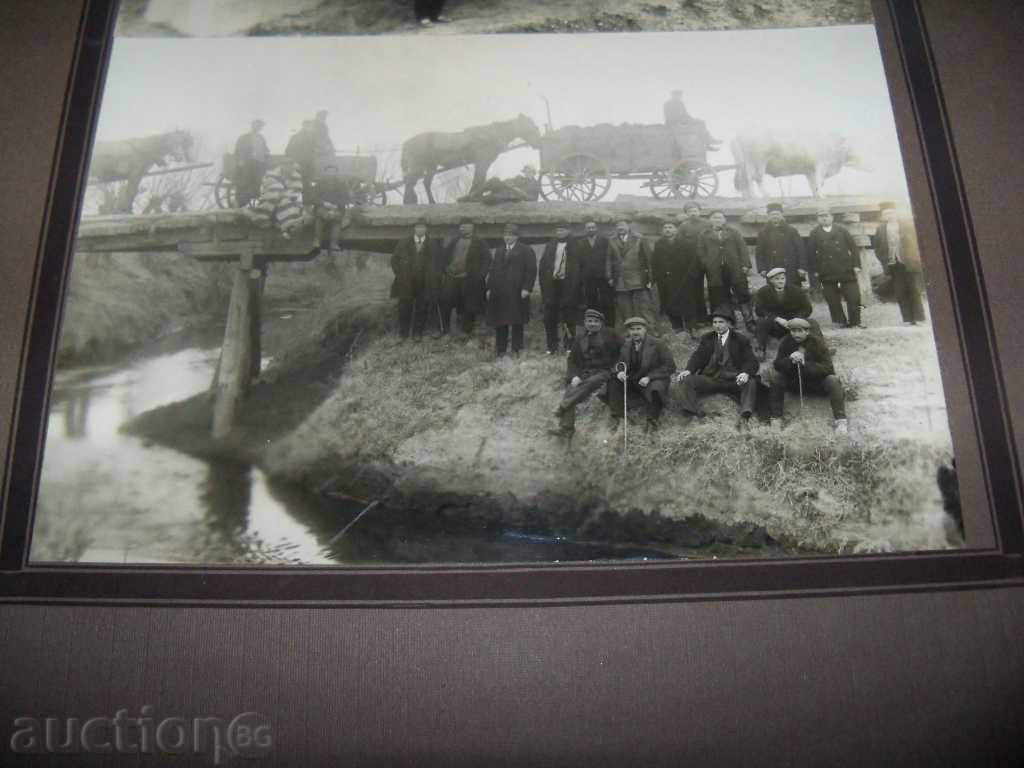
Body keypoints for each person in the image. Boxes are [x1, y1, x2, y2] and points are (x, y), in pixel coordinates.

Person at [674, 306, 760, 430]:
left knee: (751, 382)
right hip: (711, 378)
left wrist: (745, 373)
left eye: (721, 322)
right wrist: (689, 370)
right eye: (715, 322)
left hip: (733, 380)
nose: (717, 325)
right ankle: (690, 413)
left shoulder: (740, 340)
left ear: (729, 324)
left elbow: (751, 361)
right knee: (687, 380)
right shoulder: (707, 338)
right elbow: (698, 356)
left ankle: (744, 417)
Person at [549, 309, 622, 439]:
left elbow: (625, 350)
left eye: (595, 321)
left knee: (591, 382)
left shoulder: (611, 334)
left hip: (605, 371)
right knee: (571, 389)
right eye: (589, 321)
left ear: (601, 323)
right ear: (584, 322)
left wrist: (617, 368)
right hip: (585, 372)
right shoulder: (580, 338)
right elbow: (572, 360)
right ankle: (566, 428)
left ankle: (562, 406)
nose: (592, 324)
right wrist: (574, 376)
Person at [769, 318, 848, 434]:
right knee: (776, 378)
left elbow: (829, 369)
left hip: (816, 383)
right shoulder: (786, 342)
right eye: (793, 331)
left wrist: (806, 364)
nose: (796, 334)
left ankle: (841, 420)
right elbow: (777, 364)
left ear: (807, 331)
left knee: (833, 380)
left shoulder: (818, 343)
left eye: (800, 331)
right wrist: (790, 359)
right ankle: (776, 419)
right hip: (795, 383)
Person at [608, 317, 676, 433]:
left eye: (638, 328)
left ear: (645, 329)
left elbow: (670, 366)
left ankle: (652, 420)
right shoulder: (626, 345)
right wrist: (619, 372)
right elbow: (619, 363)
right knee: (613, 381)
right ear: (629, 331)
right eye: (632, 329)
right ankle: (618, 417)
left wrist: (649, 377)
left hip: (653, 379)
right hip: (633, 379)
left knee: (656, 389)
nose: (635, 332)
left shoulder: (657, 344)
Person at [806, 206, 864, 328]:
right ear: (818, 219)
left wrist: (856, 265)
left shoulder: (842, 230)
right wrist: (815, 271)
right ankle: (840, 322)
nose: (824, 219)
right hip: (826, 271)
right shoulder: (814, 233)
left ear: (831, 217)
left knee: (853, 296)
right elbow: (810, 254)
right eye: (821, 217)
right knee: (832, 299)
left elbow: (853, 248)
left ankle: (856, 322)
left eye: (826, 216)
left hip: (846, 269)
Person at [698, 210, 755, 332]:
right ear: (710, 220)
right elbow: (701, 251)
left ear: (724, 220)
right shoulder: (704, 234)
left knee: (742, 294)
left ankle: (750, 322)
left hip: (735, 268)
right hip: (715, 271)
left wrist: (745, 264)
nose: (717, 220)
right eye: (714, 218)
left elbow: (742, 248)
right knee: (720, 297)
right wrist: (707, 264)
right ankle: (729, 322)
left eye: (719, 217)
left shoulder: (733, 232)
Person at [486, 223, 536, 358]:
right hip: (500, 291)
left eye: (510, 235)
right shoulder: (500, 250)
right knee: (500, 320)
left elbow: (531, 271)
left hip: (517, 291)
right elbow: (493, 270)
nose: (507, 238)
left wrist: (527, 288)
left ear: (516, 236)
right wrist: (490, 288)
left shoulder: (526, 250)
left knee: (516, 320)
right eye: (505, 235)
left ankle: (516, 349)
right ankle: (500, 349)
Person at [873, 202, 926, 325]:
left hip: (909, 263)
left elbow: (918, 242)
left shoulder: (908, 225)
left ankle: (919, 318)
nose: (888, 215)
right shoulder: (880, 229)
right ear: (882, 215)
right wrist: (884, 260)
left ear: (895, 212)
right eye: (885, 213)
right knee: (900, 291)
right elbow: (878, 247)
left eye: (890, 212)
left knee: (914, 290)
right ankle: (907, 319)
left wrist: (916, 257)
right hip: (893, 264)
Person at [753, 268, 821, 358]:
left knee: (812, 322)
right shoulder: (763, 292)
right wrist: (776, 319)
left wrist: (796, 318)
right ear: (770, 281)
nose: (781, 281)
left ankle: (820, 348)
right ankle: (760, 350)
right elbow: (759, 310)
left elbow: (807, 308)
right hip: (775, 324)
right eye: (777, 279)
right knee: (761, 322)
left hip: (795, 322)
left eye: (782, 278)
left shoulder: (796, 290)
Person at [390, 219, 442, 340]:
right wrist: (401, 275)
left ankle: (417, 333)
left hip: (425, 282)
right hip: (406, 281)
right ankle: (403, 333)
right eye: (418, 227)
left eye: (423, 227)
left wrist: (434, 277)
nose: (420, 229)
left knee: (422, 307)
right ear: (414, 228)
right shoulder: (404, 242)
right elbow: (394, 260)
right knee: (404, 307)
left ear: (426, 229)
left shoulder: (433, 244)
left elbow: (439, 262)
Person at [439, 219, 490, 336]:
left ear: (472, 227)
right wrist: (446, 269)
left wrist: (480, 276)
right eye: (461, 226)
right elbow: (444, 256)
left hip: (469, 278)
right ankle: (446, 329)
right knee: (446, 300)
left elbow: (487, 260)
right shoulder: (454, 241)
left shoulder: (480, 242)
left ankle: (467, 330)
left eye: (466, 226)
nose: (462, 228)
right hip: (452, 277)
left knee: (469, 304)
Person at [538, 223, 582, 354]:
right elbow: (543, 264)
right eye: (557, 230)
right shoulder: (551, 245)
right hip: (552, 284)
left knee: (568, 316)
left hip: (568, 284)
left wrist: (576, 285)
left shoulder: (575, 245)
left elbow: (580, 267)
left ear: (568, 230)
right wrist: (544, 283)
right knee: (549, 317)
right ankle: (552, 346)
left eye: (562, 230)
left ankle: (569, 346)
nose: (559, 232)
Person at [607, 219, 654, 326]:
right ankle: (629, 334)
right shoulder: (612, 240)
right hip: (620, 279)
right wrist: (609, 276)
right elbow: (609, 259)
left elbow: (649, 259)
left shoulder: (639, 238)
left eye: (622, 225)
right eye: (618, 225)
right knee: (625, 309)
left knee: (642, 308)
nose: (620, 227)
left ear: (628, 225)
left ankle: (650, 332)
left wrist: (650, 278)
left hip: (638, 278)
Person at [755, 202, 806, 287]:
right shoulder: (763, 233)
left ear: (782, 215)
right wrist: (762, 268)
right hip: (772, 267)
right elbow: (759, 253)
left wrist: (802, 267)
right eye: (772, 214)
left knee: (793, 290)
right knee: (774, 291)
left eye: (777, 214)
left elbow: (800, 249)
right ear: (768, 216)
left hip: (791, 268)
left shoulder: (791, 230)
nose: (775, 216)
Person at [651, 220, 687, 334]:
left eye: (670, 227)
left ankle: (690, 326)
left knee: (684, 300)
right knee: (668, 301)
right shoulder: (659, 243)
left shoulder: (684, 242)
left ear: (676, 229)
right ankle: (677, 326)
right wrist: (657, 276)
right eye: (665, 227)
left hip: (681, 278)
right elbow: (655, 261)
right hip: (665, 278)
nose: (667, 229)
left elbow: (690, 260)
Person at [676, 201, 709, 327]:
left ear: (699, 211)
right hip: (692, 263)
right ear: (686, 214)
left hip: (707, 260)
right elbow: (679, 244)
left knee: (715, 288)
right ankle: (700, 318)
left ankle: (716, 317)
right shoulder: (683, 226)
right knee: (696, 290)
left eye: (695, 210)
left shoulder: (707, 224)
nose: (693, 213)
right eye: (690, 211)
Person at [575, 219, 614, 325]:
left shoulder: (604, 241)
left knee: (607, 300)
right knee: (591, 300)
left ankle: (610, 324)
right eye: (588, 228)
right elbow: (578, 261)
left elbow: (610, 257)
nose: (591, 229)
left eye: (593, 227)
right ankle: (594, 324)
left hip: (603, 276)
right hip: (588, 277)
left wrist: (609, 274)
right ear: (585, 229)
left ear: (596, 228)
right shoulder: (580, 243)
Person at [233, 119, 270, 208]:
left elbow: (265, 149)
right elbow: (238, 150)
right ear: (252, 126)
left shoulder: (261, 138)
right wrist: (241, 160)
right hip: (248, 162)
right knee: (245, 183)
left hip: (259, 163)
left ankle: (252, 197)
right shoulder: (244, 137)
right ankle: (239, 203)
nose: (258, 128)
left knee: (257, 182)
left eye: (260, 126)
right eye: (257, 125)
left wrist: (267, 153)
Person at [459, 165, 540, 204]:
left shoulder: (535, 184)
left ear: (533, 172)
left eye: (529, 171)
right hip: (505, 189)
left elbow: (533, 199)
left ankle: (473, 201)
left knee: (491, 198)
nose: (527, 173)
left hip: (513, 197)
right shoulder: (519, 178)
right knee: (494, 180)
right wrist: (506, 182)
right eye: (526, 171)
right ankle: (471, 196)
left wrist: (517, 189)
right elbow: (507, 182)